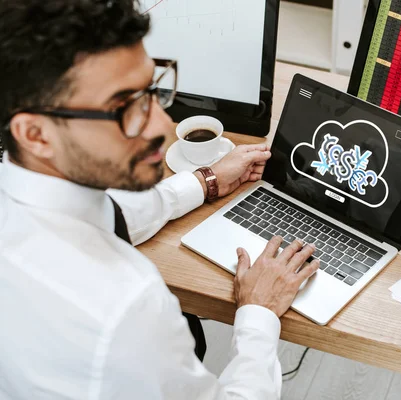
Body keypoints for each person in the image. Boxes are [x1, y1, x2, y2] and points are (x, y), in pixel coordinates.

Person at [0, 1, 319, 399]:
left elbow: (107, 214)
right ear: (36, 134)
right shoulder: (125, 309)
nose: (163, 125)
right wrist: (259, 312)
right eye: (124, 107)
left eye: (152, 89)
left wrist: (205, 181)